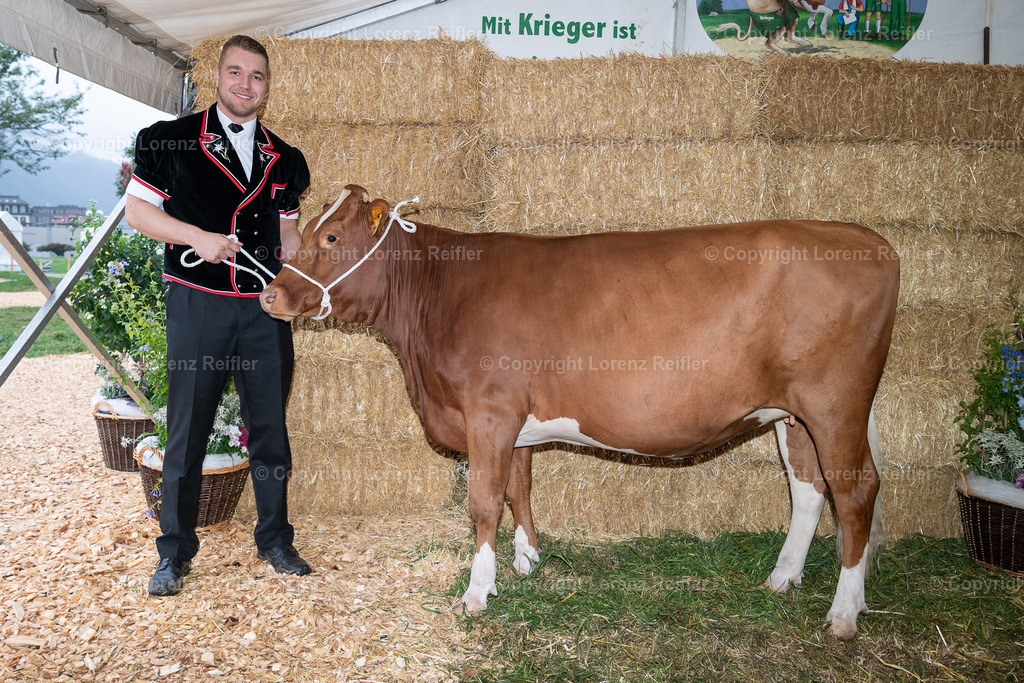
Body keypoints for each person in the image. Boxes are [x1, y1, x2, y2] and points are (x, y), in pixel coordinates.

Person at [125, 35, 311, 596]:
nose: (244, 85)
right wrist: (196, 237)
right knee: (187, 432)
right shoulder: (170, 141)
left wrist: (316, 261)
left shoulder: (287, 159)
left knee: (271, 432)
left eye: (256, 76)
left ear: (266, 86)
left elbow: (288, 235)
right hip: (198, 303)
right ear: (217, 75)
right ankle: (174, 552)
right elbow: (137, 212)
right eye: (235, 72)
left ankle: (275, 538)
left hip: (262, 311)